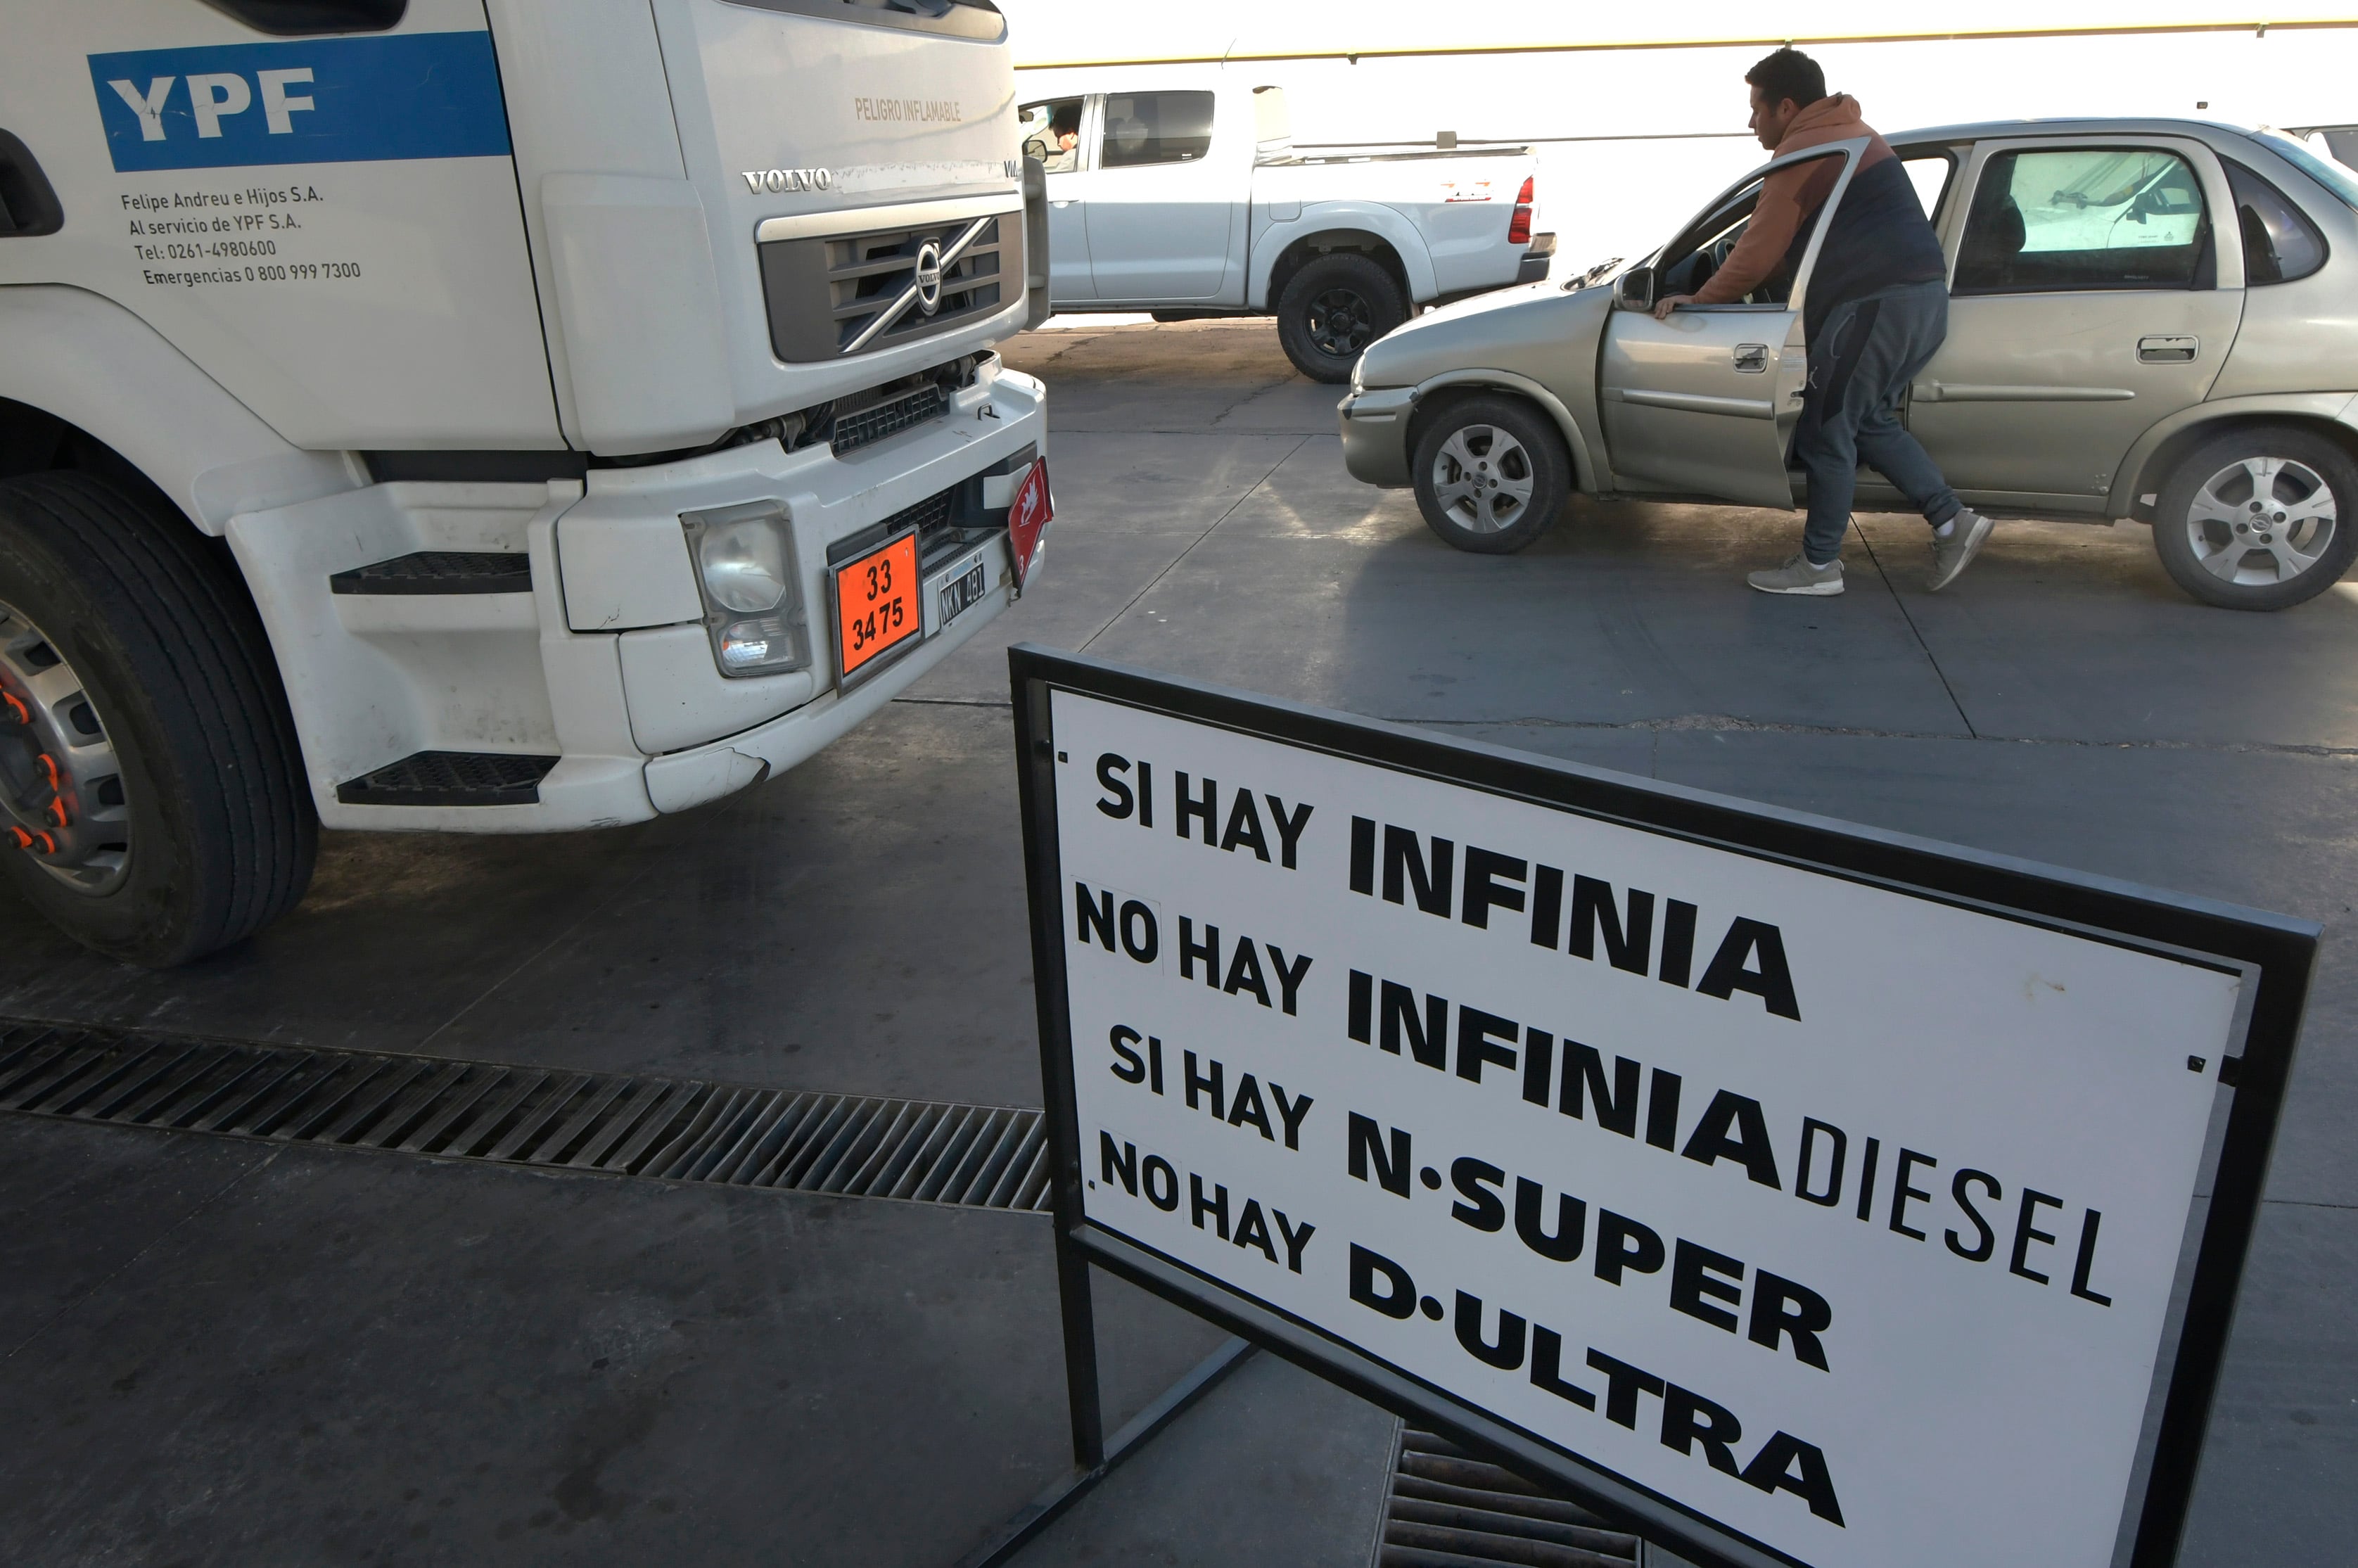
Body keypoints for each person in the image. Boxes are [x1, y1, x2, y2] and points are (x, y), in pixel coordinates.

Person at [1654, 47, 1991, 597]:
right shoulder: (1851, 132)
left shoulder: (1807, 147)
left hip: (1876, 304)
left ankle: (1820, 566)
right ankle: (1954, 521)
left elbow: (1759, 252)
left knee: (1826, 428)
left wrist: (1700, 299)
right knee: (1866, 420)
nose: (1750, 122)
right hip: (1919, 299)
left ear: (1786, 107)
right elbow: (1791, 247)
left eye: (1756, 110)